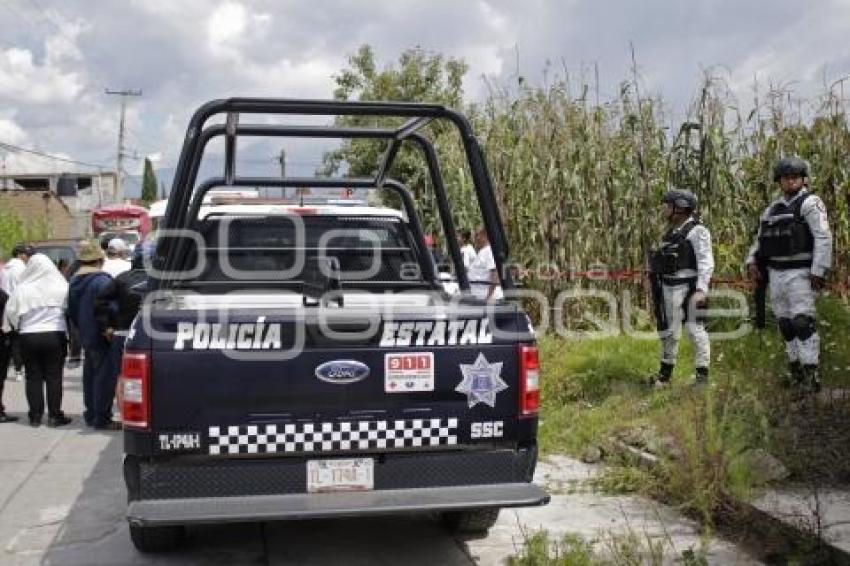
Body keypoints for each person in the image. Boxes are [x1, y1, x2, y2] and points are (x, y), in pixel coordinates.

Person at [746, 157, 832, 393]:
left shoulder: (810, 203)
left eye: (795, 176)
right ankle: (795, 371)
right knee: (785, 323)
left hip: (800, 272)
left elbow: (823, 237)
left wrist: (818, 270)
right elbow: (760, 239)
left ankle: (811, 375)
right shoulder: (772, 209)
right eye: (786, 177)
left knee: (802, 321)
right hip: (776, 273)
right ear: (779, 181)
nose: (790, 180)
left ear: (803, 179)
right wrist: (752, 261)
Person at [648, 189, 714, 386]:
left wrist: (701, 289)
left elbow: (706, 261)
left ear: (681, 207)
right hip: (669, 288)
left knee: (696, 330)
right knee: (670, 331)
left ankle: (702, 375)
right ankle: (665, 375)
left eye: (668, 205)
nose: (665, 209)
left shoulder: (697, 231)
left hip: (689, 287)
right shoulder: (671, 233)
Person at [2, 254, 71, 427]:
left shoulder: (22, 289)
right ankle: (55, 416)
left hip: (28, 336)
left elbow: (10, 312)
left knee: (33, 377)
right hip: (55, 335)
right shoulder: (61, 285)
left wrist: (18, 326)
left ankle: (35, 416)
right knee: (54, 377)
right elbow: (70, 309)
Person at [68, 240, 120, 430]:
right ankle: (102, 418)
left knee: (90, 376)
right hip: (102, 335)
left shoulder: (74, 281)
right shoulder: (103, 281)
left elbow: (71, 311)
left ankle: (91, 413)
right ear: (100, 259)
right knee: (104, 378)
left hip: (85, 334)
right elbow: (111, 309)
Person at [95, 252, 148, 399]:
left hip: (122, 333)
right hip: (150, 334)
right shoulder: (160, 279)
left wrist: (106, 326)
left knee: (122, 376)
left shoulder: (121, 278)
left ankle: (123, 415)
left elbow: (100, 301)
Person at [1, 243, 34, 383]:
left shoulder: (5, 269)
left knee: (11, 338)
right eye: (27, 255)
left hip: (5, 305)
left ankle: (15, 368)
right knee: (21, 338)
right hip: (20, 305)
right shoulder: (22, 269)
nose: (29, 257)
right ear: (20, 255)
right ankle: (21, 368)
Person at [467, 226, 503, 300]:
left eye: (477, 235)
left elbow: (495, 274)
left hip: (487, 299)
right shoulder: (483, 251)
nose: (475, 238)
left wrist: (488, 297)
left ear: (485, 235)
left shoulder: (490, 251)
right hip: (478, 297)